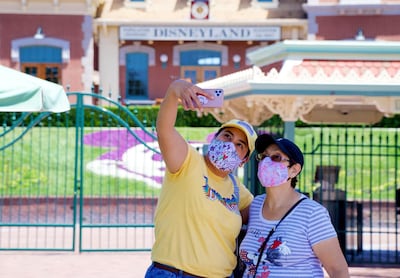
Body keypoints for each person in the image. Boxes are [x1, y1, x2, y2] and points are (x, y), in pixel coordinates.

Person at [145, 79, 258, 278]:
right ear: (215, 137)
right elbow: (164, 130)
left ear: (244, 160)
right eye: (227, 136)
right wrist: (174, 91)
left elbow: (264, 213)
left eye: (240, 144)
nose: (231, 145)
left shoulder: (236, 188)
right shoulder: (188, 162)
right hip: (174, 273)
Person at [238, 134, 349, 278]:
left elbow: (338, 270)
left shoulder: (312, 213)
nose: (266, 162)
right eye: (264, 156)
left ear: (294, 170)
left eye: (276, 157)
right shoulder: (255, 206)